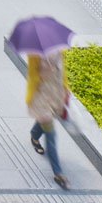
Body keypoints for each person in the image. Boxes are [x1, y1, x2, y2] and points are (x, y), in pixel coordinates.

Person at [26, 49, 70, 188]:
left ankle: (34, 134)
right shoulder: (34, 54)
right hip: (41, 98)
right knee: (51, 135)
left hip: (55, 94)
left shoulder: (59, 49)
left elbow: (62, 71)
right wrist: (45, 72)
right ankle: (58, 173)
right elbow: (32, 76)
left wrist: (66, 89)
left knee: (47, 122)